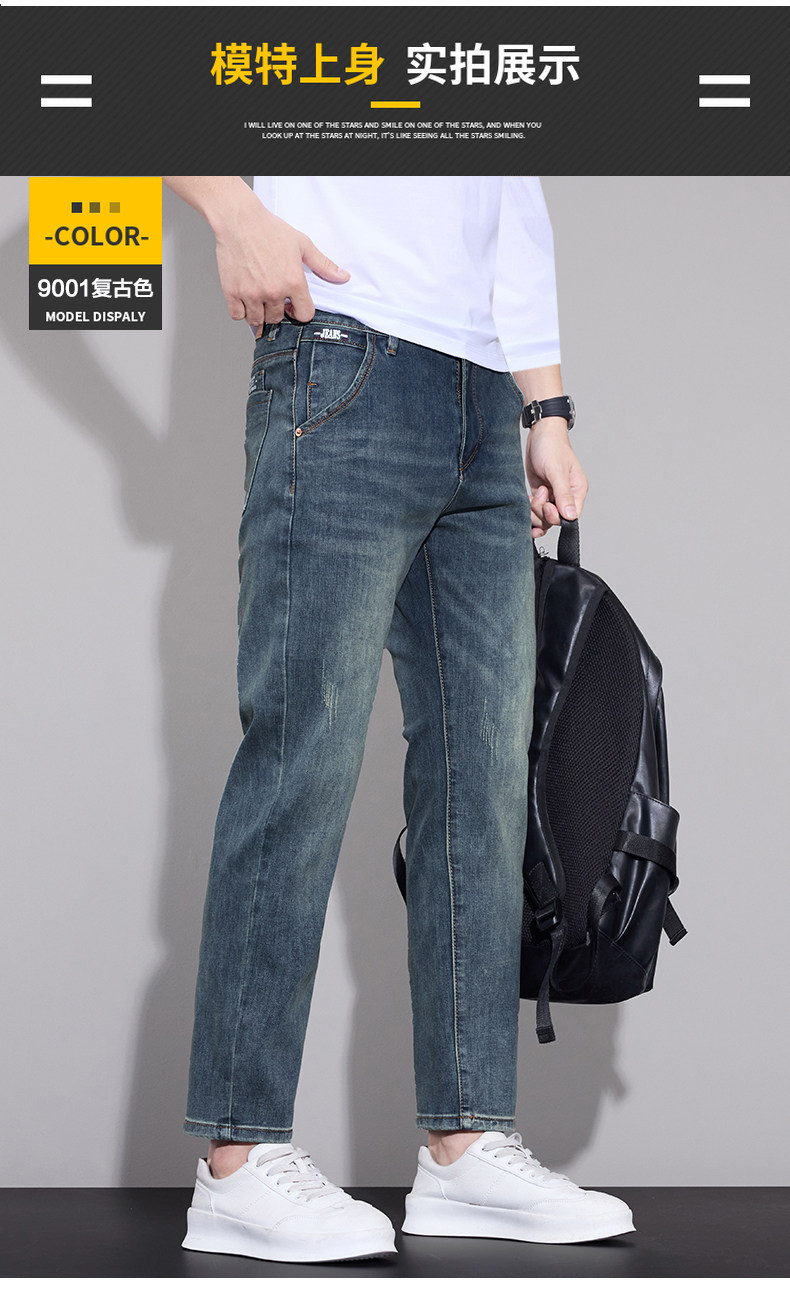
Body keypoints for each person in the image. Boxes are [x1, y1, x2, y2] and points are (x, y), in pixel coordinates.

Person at [162, 175, 634, 1263]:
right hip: (342, 359)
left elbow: (511, 201)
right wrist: (235, 214)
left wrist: (546, 408)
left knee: (483, 780)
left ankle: (465, 1145)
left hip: (485, 400)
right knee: (302, 758)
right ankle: (236, 1161)